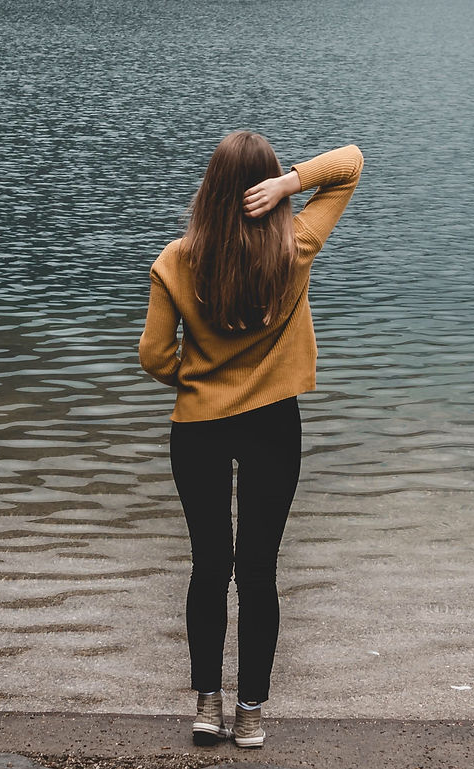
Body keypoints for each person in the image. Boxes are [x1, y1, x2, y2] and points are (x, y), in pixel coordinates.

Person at [139, 132, 363, 750]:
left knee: (209, 564)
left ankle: (207, 707)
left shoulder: (175, 261)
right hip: (272, 423)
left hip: (198, 426)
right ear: (261, 193)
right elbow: (350, 164)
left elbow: (153, 356)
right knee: (258, 570)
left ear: (209, 190)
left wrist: (200, 376)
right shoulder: (298, 246)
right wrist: (292, 183)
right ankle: (251, 715)